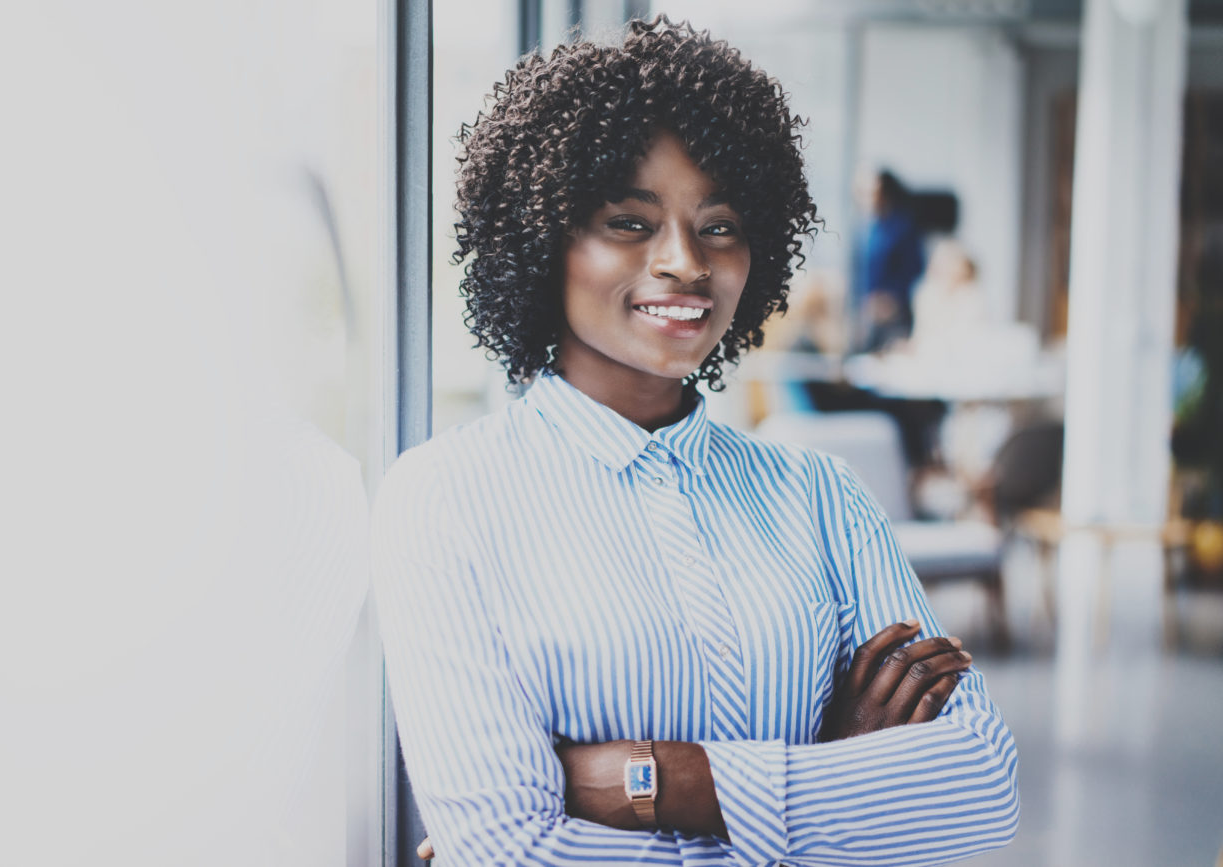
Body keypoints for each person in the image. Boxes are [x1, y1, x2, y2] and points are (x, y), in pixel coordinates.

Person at [373, 17, 1018, 866]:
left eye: (719, 225)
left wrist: (654, 780)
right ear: (542, 238)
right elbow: (512, 849)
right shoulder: (443, 499)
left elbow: (979, 788)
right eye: (629, 222)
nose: (685, 261)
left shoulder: (820, 496)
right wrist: (831, 774)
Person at [852, 167, 926, 352]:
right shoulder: (868, 228)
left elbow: (914, 268)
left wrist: (892, 299)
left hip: (895, 312)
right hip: (869, 311)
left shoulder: (903, 226)